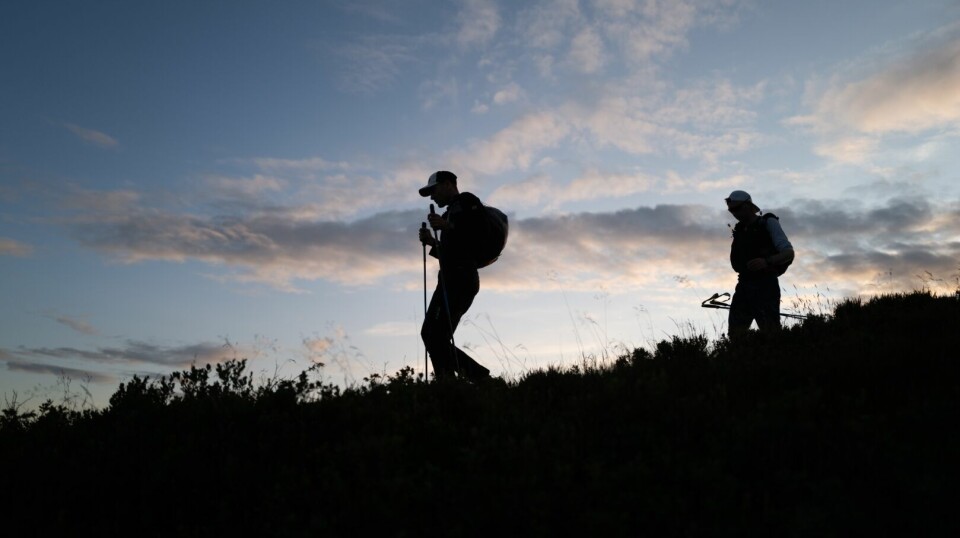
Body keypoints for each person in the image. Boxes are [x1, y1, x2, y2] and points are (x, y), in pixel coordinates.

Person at [417, 171, 491, 381]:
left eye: (434, 190)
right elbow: (454, 250)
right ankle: (449, 384)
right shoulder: (451, 212)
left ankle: (477, 380)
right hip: (453, 279)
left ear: (448, 184)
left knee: (433, 336)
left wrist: (448, 226)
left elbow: (481, 234)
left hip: (460, 279)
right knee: (433, 336)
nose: (432, 197)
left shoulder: (467, 201)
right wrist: (433, 242)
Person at [725, 190, 795, 337]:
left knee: (771, 333)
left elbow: (789, 253)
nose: (734, 213)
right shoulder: (739, 231)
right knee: (735, 336)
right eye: (731, 210)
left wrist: (766, 262)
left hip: (766, 285)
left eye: (737, 208)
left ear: (748, 206)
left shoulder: (768, 222)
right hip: (743, 286)